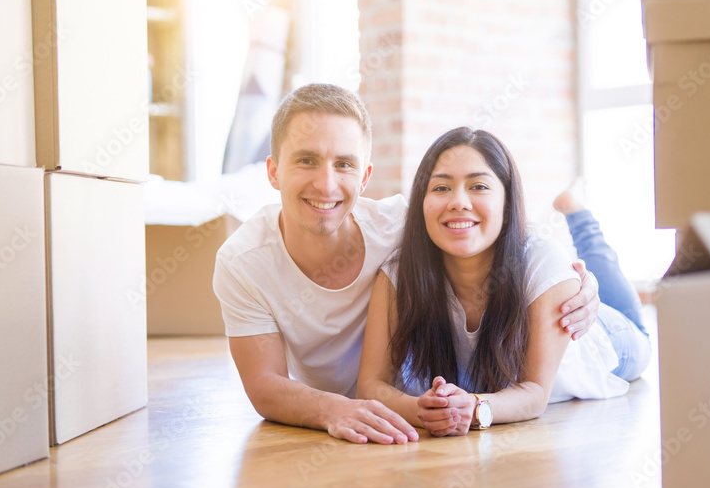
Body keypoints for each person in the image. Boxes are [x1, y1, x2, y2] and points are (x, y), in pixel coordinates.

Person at [212, 84, 603, 445]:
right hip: (396, 399)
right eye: (307, 160)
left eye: (344, 164)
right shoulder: (242, 262)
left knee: (631, 326)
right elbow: (264, 384)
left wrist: (582, 285)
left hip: (591, 347)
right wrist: (336, 408)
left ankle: (581, 215)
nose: (327, 184)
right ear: (273, 172)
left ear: (365, 176)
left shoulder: (407, 226)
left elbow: (507, 237)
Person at [356, 127, 651, 436]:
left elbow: (535, 393)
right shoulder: (398, 274)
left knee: (638, 330)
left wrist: (474, 407)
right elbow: (371, 384)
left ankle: (579, 212)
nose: (458, 201)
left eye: (478, 186)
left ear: (508, 206)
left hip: (606, 338)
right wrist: (423, 411)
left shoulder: (543, 262)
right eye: (441, 188)